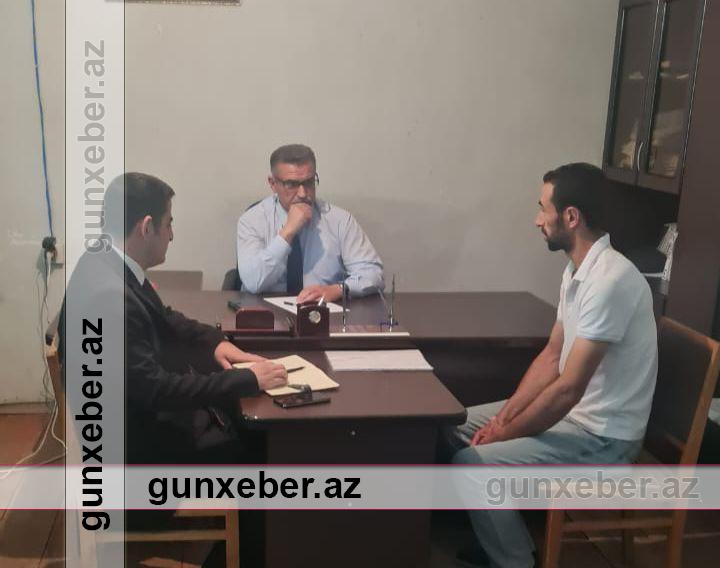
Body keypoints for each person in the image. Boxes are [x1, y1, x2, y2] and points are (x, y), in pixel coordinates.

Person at [445, 163, 658, 568]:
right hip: (573, 419)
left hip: (604, 437)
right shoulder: (576, 270)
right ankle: (503, 539)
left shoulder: (611, 280)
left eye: (543, 208)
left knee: (472, 463)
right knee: (450, 425)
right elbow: (551, 356)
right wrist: (504, 417)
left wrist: (505, 432)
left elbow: (567, 389)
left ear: (571, 216)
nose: (537, 219)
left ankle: (515, 561)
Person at [62, 172, 288, 464]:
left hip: (141, 418)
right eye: (168, 224)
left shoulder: (105, 260)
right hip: (140, 447)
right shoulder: (108, 296)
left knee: (243, 411)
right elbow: (156, 389)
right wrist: (246, 379)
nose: (171, 235)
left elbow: (164, 317)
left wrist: (215, 343)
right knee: (263, 440)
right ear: (146, 227)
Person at [236, 144, 384, 303]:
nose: (302, 193)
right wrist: (287, 233)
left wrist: (338, 290)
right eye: (291, 184)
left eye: (308, 182)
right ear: (272, 184)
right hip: (265, 312)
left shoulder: (339, 220)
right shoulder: (252, 220)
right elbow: (253, 282)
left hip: (322, 310)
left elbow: (374, 274)